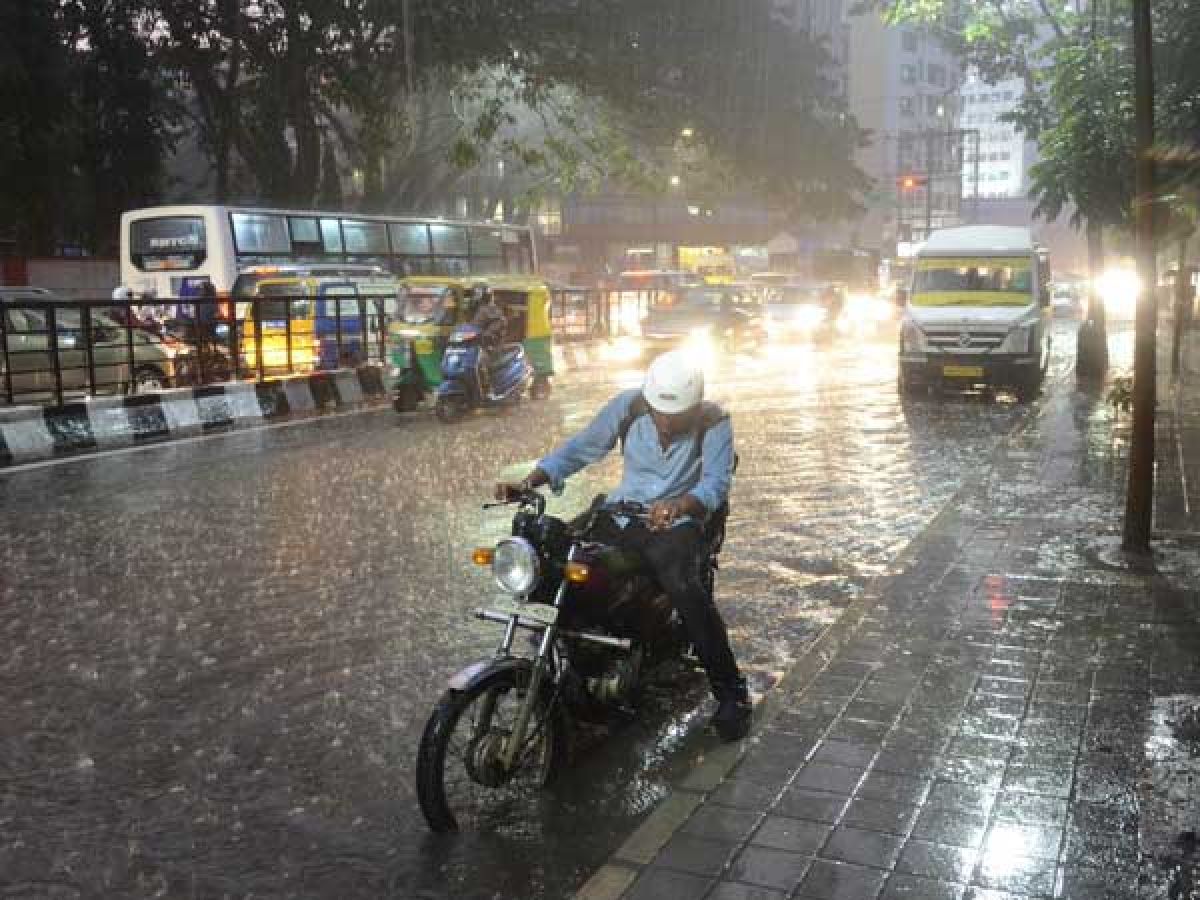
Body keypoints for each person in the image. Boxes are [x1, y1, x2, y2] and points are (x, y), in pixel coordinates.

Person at [495, 351, 753, 741]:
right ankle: (574, 659)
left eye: (677, 415)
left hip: (677, 525)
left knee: (685, 590)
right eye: (660, 413)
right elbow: (582, 447)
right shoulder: (628, 406)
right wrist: (532, 479)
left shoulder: (714, 422)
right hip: (620, 513)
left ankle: (731, 692)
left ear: (694, 406)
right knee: (559, 563)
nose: (667, 423)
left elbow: (716, 483)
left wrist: (680, 505)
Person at [471, 284, 507, 395]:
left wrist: (487, 334)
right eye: (475, 293)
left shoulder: (491, 309)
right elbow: (473, 326)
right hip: (478, 343)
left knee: (483, 362)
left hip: (490, 344)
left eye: (478, 293)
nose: (476, 296)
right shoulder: (477, 308)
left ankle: (489, 388)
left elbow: (499, 323)